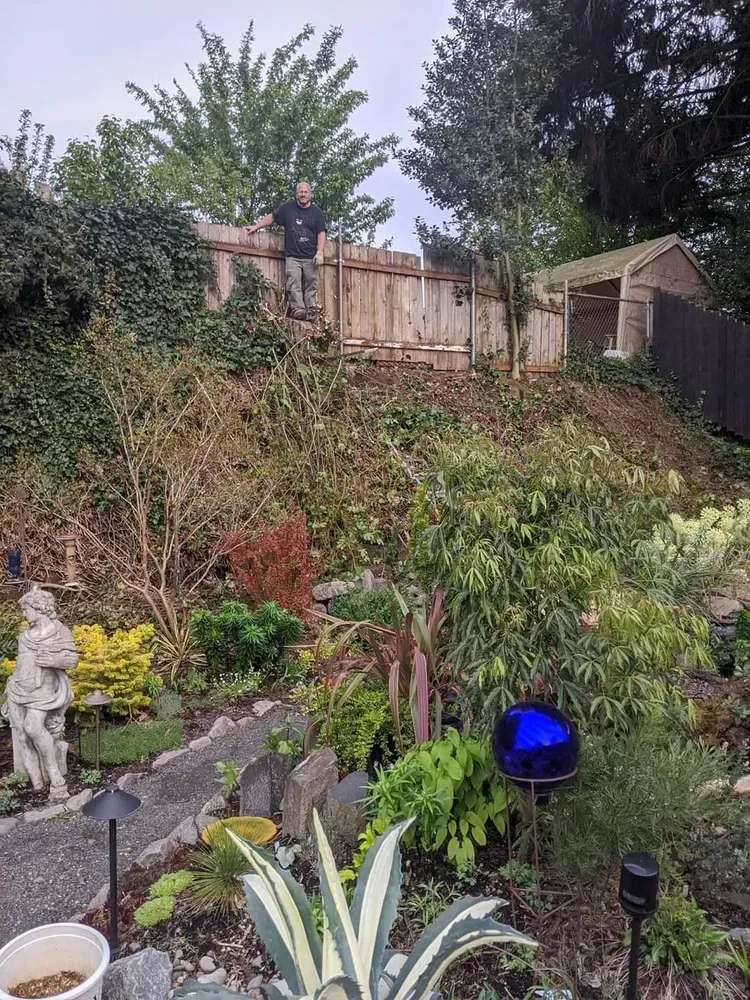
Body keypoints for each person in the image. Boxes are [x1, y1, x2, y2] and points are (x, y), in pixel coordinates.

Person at [1, 587, 77, 800]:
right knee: (22, 736)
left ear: (39, 608)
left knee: (33, 726)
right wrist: (13, 684)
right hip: (19, 688)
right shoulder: (25, 636)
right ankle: (36, 781)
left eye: (26, 608)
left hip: (45, 690)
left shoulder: (60, 631)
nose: (24, 613)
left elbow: (72, 661)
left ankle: (53, 773)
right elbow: (22, 664)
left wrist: (54, 661)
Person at [245, 182, 327, 320]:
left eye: (305, 192)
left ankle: (311, 311)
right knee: (293, 283)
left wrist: (320, 252)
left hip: (310, 257)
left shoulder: (316, 212)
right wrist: (256, 226)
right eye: (300, 192)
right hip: (292, 256)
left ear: (310, 194)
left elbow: (321, 233)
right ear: (297, 194)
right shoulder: (288, 208)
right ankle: (298, 310)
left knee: (311, 285)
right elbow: (272, 217)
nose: (303, 194)